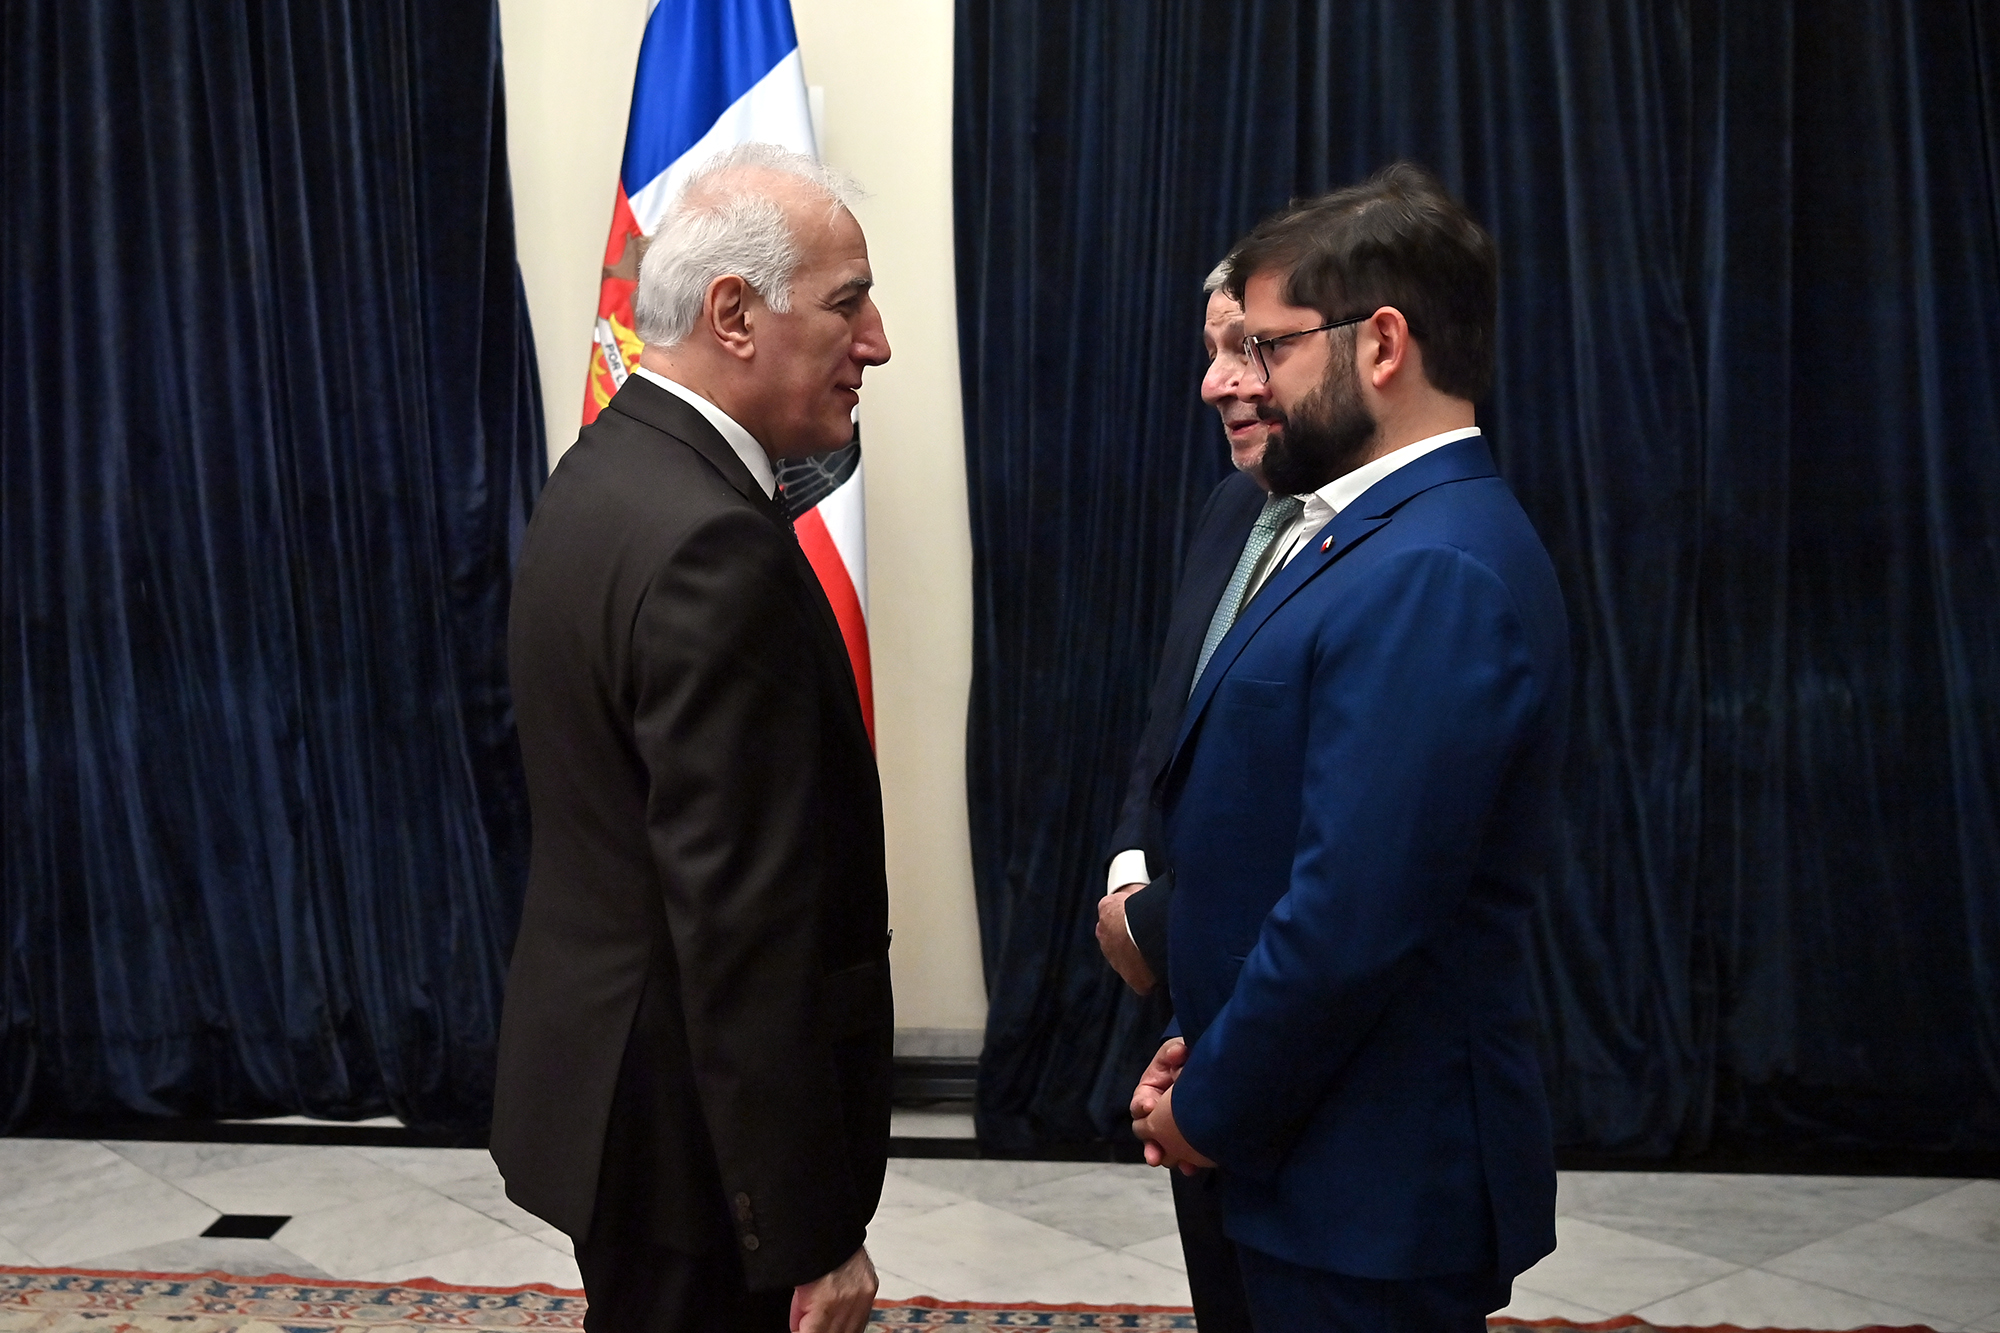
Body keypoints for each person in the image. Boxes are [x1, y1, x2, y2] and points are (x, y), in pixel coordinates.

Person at [1130, 162, 1571, 1331]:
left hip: (1366, 1184)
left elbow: (1349, 917)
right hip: (1301, 1150)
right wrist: (1195, 1037)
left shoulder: (1434, 566)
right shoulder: (1360, 533)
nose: (1236, 379)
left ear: (1380, 344)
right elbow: (1259, 844)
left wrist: (1208, 1103)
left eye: (1269, 346)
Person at [490, 143, 893, 1333]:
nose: (874, 342)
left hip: (621, 1102)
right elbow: (740, 924)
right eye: (847, 303)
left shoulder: (607, 469)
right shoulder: (713, 544)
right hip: (695, 1152)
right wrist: (809, 1229)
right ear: (733, 315)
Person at [1092, 267, 1281, 1333]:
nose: (1218, 383)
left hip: (1306, 1044)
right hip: (1197, 1012)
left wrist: (1157, 923)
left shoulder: (1395, 548)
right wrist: (1129, 880)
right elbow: (1172, 719)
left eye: (1249, 347)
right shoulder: (1232, 505)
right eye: (1211, 351)